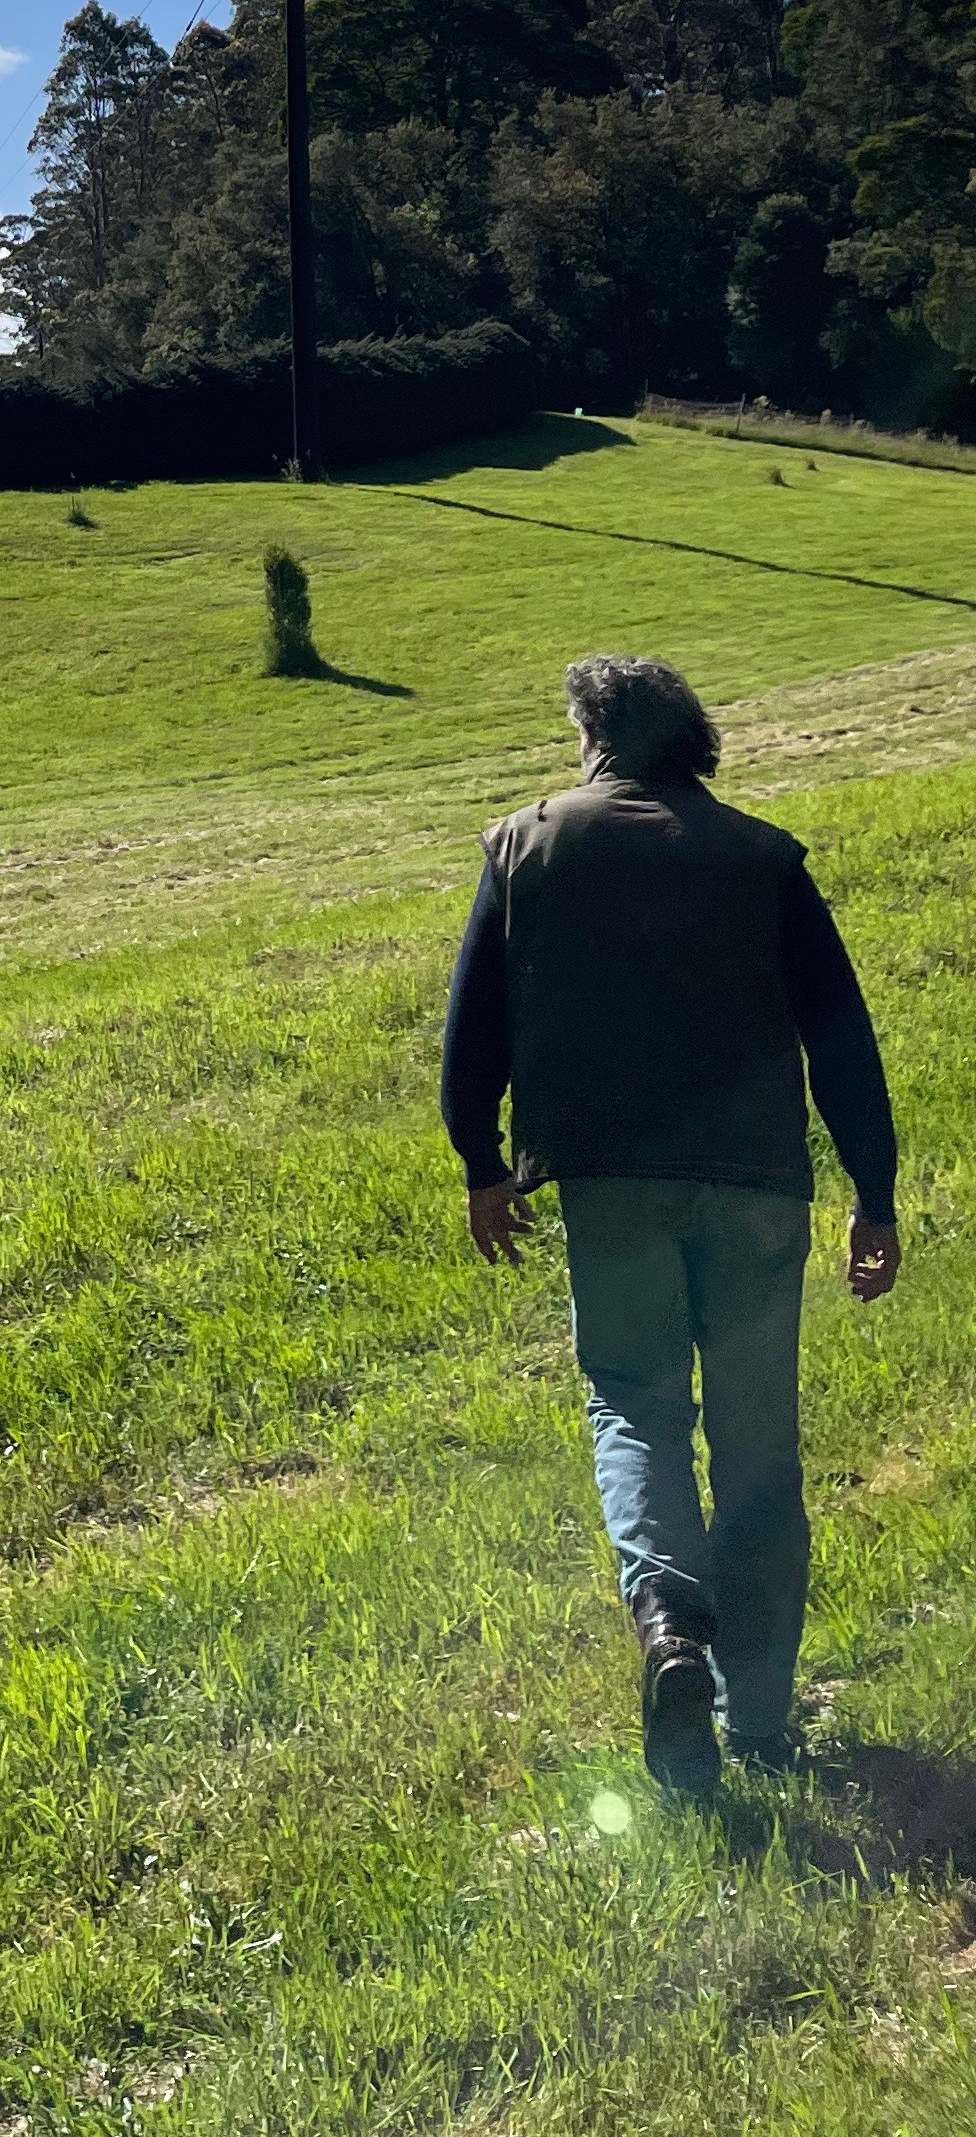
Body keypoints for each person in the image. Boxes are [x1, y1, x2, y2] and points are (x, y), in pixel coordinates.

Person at [440, 651, 900, 1797]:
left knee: (635, 1403)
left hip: (607, 1181)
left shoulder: (528, 843)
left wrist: (481, 1162)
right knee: (758, 1444)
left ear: (590, 737)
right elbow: (841, 1037)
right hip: (754, 1185)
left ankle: (668, 1625)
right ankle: (763, 1719)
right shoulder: (760, 857)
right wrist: (875, 1191)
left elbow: (473, 1020)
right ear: (692, 741)